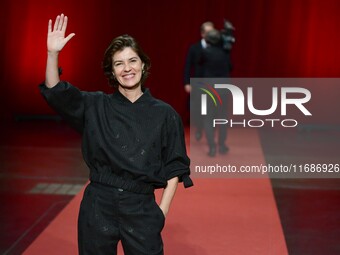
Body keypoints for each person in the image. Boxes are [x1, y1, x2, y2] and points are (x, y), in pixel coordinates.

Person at [40, 14, 193, 255]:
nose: (127, 68)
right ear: (112, 71)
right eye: (119, 63)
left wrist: (160, 213)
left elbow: (175, 167)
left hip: (141, 207)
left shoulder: (165, 114)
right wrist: (52, 54)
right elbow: (56, 92)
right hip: (98, 204)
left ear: (143, 64)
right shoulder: (96, 105)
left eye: (132, 60)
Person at [200, 29, 232, 156]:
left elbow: (200, 64)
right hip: (224, 88)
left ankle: (212, 147)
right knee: (223, 117)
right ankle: (222, 145)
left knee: (209, 118)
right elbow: (230, 67)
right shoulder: (225, 53)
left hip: (210, 88)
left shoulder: (205, 52)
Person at [183, 21, 214, 141]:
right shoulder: (194, 48)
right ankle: (199, 129)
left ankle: (209, 134)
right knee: (197, 110)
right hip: (197, 84)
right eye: (208, 32)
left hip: (211, 85)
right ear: (202, 34)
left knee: (210, 110)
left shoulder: (217, 49)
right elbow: (187, 66)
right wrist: (186, 82)